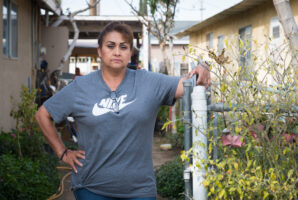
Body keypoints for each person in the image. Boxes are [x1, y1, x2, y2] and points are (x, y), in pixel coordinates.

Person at [35, 22, 210, 200]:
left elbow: (187, 84)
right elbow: (43, 114)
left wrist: (203, 67)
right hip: (91, 189)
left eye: (123, 47)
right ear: (99, 51)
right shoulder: (80, 87)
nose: (117, 52)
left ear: (131, 53)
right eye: (110, 46)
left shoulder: (149, 82)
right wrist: (62, 152)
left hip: (140, 191)